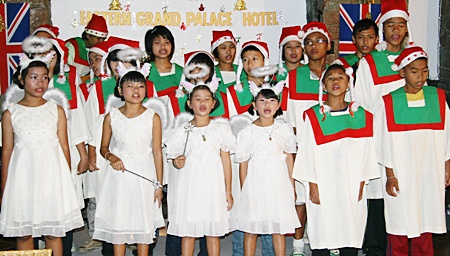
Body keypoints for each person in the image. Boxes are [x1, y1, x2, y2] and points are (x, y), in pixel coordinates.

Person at [0, 53, 84, 256]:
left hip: (51, 179)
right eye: (34, 77)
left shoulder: (56, 110)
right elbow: (7, 150)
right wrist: (5, 186)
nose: (40, 82)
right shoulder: (11, 113)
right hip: (23, 179)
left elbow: (64, 147)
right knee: (24, 233)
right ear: (22, 78)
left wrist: (65, 183)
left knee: (53, 233)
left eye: (45, 77)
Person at [293, 63, 379, 256]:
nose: (335, 81)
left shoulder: (362, 116)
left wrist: (362, 182)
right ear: (323, 85)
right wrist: (312, 185)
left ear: (349, 83)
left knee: (350, 230)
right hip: (323, 183)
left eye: (340, 77)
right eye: (330, 78)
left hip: (352, 182)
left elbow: (367, 153)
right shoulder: (314, 116)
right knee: (323, 230)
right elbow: (306, 152)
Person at [375, 46, 450, 256]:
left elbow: (446, 134)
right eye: (414, 71)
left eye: (424, 71)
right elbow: (382, 141)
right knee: (399, 222)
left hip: (429, 171)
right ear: (402, 73)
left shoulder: (438, 98)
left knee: (425, 221)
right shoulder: (390, 102)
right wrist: (390, 175)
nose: (421, 76)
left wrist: (446, 164)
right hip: (401, 173)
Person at [354, 1, 415, 255]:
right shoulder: (371, 62)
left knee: (408, 193)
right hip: (380, 137)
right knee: (378, 195)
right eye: (390, 25)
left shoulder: (415, 58)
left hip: (409, 139)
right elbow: (362, 102)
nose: (396, 30)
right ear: (383, 30)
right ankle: (376, 248)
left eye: (401, 25)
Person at [92, 62, 165, 256]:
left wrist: (159, 184)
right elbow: (103, 147)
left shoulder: (153, 117)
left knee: (143, 221)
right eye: (130, 86)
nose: (136, 90)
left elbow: (157, 152)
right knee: (120, 219)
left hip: (144, 171)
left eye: (140, 86)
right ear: (120, 90)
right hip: (119, 174)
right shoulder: (112, 117)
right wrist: (111, 156)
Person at [166, 61, 234, 256]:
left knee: (212, 232)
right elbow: (174, 156)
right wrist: (176, 161)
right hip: (190, 186)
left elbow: (226, 161)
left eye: (206, 99)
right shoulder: (182, 130)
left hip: (213, 186)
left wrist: (228, 190)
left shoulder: (221, 128)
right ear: (189, 103)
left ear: (213, 103)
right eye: (197, 99)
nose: (202, 103)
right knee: (189, 232)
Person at [236, 70, 300, 256]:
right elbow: (243, 163)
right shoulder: (247, 132)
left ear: (278, 105)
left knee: (278, 228)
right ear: (254, 105)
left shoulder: (285, 129)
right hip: (256, 183)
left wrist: (292, 185)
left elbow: (289, 157)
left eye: (272, 101)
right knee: (251, 228)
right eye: (262, 100)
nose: (267, 105)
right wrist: (245, 189)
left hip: (279, 183)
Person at [285, 21, 331, 256]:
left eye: (319, 41)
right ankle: (297, 245)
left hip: (330, 147)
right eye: (309, 42)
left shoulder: (337, 74)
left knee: (328, 196)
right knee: (301, 199)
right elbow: (288, 115)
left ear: (328, 45)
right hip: (302, 146)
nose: (314, 46)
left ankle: (327, 239)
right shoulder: (294, 77)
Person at [232, 40, 277, 256]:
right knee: (245, 205)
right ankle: (239, 251)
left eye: (255, 58)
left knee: (268, 205)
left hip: (268, 156)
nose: (250, 64)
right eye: (246, 60)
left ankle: (269, 251)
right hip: (244, 154)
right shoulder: (235, 90)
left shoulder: (275, 89)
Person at [66, 14, 108, 79]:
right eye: (98, 38)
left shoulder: (102, 49)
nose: (101, 42)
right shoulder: (72, 47)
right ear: (88, 36)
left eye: (103, 39)